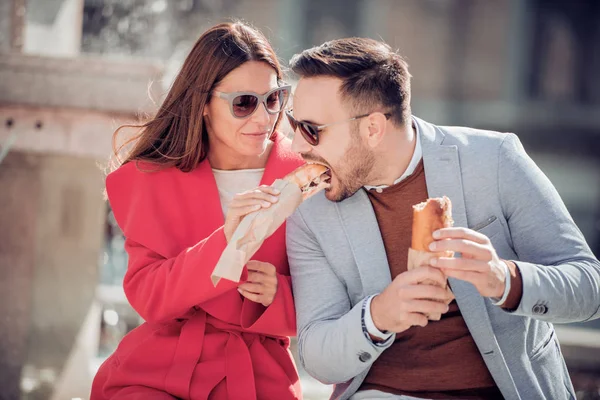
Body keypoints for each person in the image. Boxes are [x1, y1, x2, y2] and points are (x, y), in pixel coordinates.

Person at [284, 37, 600, 400]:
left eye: (311, 129)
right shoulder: (310, 211)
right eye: (294, 124)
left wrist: (505, 279)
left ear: (372, 128)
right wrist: (378, 316)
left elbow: (591, 287)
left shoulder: (494, 160)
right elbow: (317, 358)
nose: (296, 145)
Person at [91, 22, 303, 399]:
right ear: (204, 104)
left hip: (258, 376)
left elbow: (338, 293)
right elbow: (148, 296)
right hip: (157, 368)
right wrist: (224, 243)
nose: (263, 118)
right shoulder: (156, 179)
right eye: (243, 103)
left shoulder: (306, 176)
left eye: (273, 99)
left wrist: (280, 296)